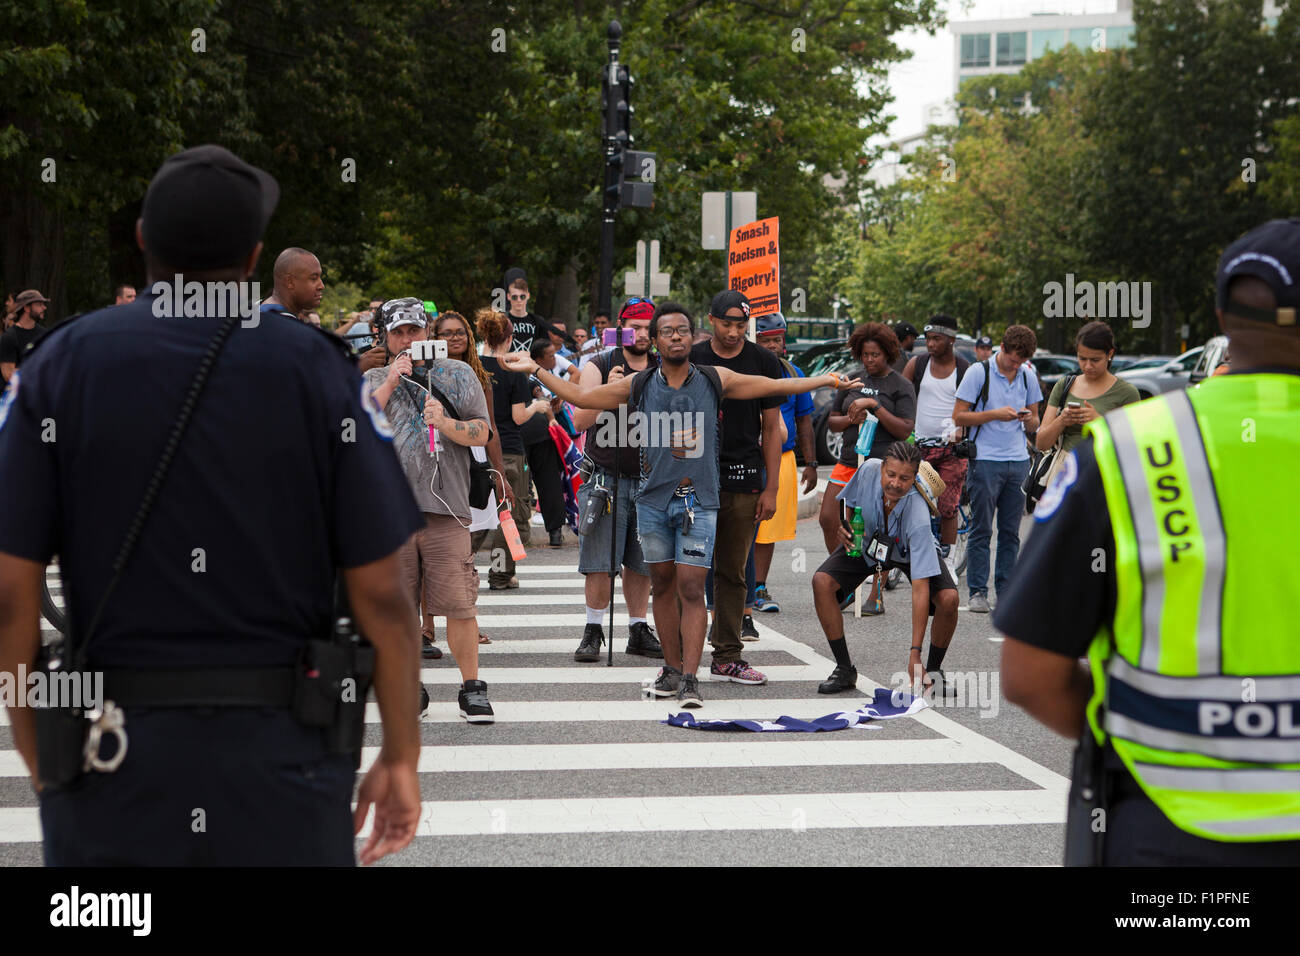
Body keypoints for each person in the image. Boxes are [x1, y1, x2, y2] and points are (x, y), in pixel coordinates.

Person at [0, 144, 422, 866]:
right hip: (284, 750)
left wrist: (41, 754)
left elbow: (11, 594)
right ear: (256, 255)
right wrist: (401, 756)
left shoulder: (61, 365)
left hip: (111, 748)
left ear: (141, 240)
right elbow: (383, 592)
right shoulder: (317, 370)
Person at [998, 218, 1300, 865]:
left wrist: (1142, 734)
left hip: (1162, 831)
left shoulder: (1131, 449)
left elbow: (1029, 675)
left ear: (1221, 316)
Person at [500, 301, 859, 708]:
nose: (676, 336)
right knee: (664, 586)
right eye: (667, 331)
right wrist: (534, 369)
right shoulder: (638, 384)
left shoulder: (713, 378)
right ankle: (671, 670)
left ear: (693, 337)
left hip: (698, 503)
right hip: (652, 503)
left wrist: (824, 380)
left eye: (683, 330)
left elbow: (772, 386)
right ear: (654, 341)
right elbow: (580, 395)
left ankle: (690, 677)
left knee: (691, 587)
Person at [363, 298, 495, 723]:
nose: (407, 339)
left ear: (428, 333)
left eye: (414, 331)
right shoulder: (372, 378)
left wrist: (448, 425)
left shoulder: (457, 375)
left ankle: (471, 687)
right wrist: (391, 379)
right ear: (384, 336)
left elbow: (482, 430)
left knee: (459, 603)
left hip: (446, 508)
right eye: (398, 332)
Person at [811, 443, 959, 694]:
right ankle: (844, 669)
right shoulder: (868, 469)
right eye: (890, 475)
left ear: (914, 479)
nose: (895, 484)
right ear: (882, 469)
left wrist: (915, 653)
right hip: (869, 542)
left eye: (904, 478)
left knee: (949, 598)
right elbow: (852, 500)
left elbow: (920, 590)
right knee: (821, 582)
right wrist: (846, 527)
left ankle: (933, 672)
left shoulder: (918, 517)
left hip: (908, 552)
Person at [691, 291, 783, 687]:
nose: (733, 332)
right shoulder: (693, 357)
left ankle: (727, 654)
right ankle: (682, 654)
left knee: (732, 571)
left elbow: (772, 429)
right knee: (690, 569)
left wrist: (772, 488)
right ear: (711, 320)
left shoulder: (764, 361)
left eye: (740, 325)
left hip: (745, 477)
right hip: (693, 478)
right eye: (726, 324)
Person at [569, 298, 662, 662]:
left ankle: (638, 628)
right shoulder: (599, 365)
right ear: (621, 328)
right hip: (605, 478)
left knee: (642, 562)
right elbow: (580, 420)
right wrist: (610, 392)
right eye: (634, 327)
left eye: (647, 328)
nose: (641, 334)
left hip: (650, 479)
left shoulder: (662, 367)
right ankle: (593, 629)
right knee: (599, 560)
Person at [819, 322, 916, 613]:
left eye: (875, 354)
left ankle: (876, 592)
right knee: (829, 518)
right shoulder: (851, 379)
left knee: (878, 529)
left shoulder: (901, 386)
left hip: (882, 466)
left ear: (888, 353)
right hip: (850, 461)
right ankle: (847, 572)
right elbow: (833, 421)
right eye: (864, 354)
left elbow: (904, 429)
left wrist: (874, 406)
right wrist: (853, 416)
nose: (869, 360)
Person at [952, 324, 1042, 614]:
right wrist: (995, 415)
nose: (1015, 365)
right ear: (1001, 348)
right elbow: (958, 416)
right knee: (981, 528)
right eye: (1012, 359)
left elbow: (1037, 421)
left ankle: (1006, 591)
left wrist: (1029, 420)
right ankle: (978, 591)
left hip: (1017, 460)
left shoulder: (1027, 375)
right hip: (986, 460)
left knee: (1010, 531)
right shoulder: (980, 372)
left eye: (1020, 362)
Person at [474, 309, 550, 589]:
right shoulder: (512, 369)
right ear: (509, 337)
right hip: (508, 447)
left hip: (478, 448)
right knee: (510, 515)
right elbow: (519, 416)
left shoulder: (474, 365)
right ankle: (500, 573)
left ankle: (457, 566)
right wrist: (538, 407)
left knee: (479, 512)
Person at [751, 312, 818, 614]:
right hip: (746, 459)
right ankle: (734, 585)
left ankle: (759, 586)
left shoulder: (794, 373)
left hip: (783, 459)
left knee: (769, 527)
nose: (774, 345)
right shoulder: (744, 371)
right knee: (741, 527)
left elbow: (804, 421)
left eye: (778, 339)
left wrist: (812, 463)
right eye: (767, 340)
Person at [904, 313, 972, 574]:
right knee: (912, 501)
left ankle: (949, 561)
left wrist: (962, 431)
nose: (930, 344)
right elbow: (901, 394)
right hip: (920, 446)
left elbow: (974, 406)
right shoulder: (917, 364)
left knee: (947, 506)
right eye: (928, 339)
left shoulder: (964, 369)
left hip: (952, 450)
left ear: (951, 340)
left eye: (936, 339)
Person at [1035, 321, 1140, 457]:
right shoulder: (1064, 386)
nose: (1088, 366)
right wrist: (1062, 420)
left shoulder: (1127, 393)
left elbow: (1133, 444)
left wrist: (1099, 421)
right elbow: (1041, 443)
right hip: (1066, 470)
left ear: (1110, 354)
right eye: (1082, 358)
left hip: (1104, 471)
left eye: (1095, 360)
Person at [523, 339, 575, 547]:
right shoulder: (534, 382)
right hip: (541, 430)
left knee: (519, 482)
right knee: (548, 480)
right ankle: (555, 532)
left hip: (517, 432)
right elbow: (543, 399)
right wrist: (551, 414)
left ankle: (518, 532)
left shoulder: (513, 379)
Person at [1, 290, 51, 384]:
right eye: (39, 304)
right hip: (18, 397)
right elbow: (9, 375)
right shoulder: (9, 337)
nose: (44, 307)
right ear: (27, 308)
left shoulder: (44, 334)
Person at [506, 276, 542, 353]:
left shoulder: (537, 321)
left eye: (522, 296)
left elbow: (542, 350)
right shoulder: (502, 321)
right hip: (507, 363)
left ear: (528, 296)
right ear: (508, 296)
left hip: (531, 363)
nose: (519, 300)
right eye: (515, 297)